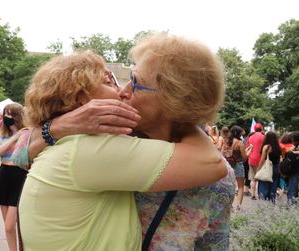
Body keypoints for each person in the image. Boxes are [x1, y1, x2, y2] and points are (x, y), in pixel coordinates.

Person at [16, 34, 234, 250]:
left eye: (135, 82)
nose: (124, 90)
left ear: (172, 98)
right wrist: (58, 126)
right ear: (80, 99)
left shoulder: (217, 181)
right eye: (115, 81)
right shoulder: (96, 146)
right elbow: (18, 154)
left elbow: (214, 244)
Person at [0, 103, 28, 251]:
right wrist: (14, 137)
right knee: (8, 227)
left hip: (20, 175)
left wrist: (19, 135)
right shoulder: (1, 134)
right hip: (4, 175)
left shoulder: (27, 133)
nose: (7, 117)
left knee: (11, 224)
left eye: (10, 114)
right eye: (5, 114)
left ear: (17, 116)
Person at [221, 125, 250, 210]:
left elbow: (222, 154)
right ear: (237, 133)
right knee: (240, 187)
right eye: (241, 133)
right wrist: (249, 151)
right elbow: (244, 158)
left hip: (228, 165)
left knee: (229, 185)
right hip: (238, 165)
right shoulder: (239, 143)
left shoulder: (226, 141)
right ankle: (238, 206)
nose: (241, 135)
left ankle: (228, 205)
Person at [257, 131, 282, 202]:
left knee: (263, 188)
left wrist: (258, 170)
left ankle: (263, 205)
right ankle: (271, 204)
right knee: (273, 189)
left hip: (267, 168)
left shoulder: (266, 147)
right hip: (276, 168)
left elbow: (262, 160)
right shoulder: (278, 147)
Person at [285, 131, 299, 205]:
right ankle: (294, 204)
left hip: (296, 169)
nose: (292, 141)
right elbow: (289, 151)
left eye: (293, 140)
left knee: (292, 188)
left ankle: (290, 205)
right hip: (293, 169)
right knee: (293, 188)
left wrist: (293, 152)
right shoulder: (295, 146)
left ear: (298, 140)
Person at [246, 123, 265, 200]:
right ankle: (261, 195)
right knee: (261, 178)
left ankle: (253, 195)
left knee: (253, 179)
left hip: (251, 159)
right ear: (261, 129)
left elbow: (247, 148)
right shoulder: (264, 137)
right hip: (261, 160)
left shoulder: (250, 137)